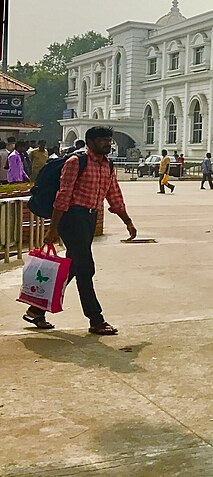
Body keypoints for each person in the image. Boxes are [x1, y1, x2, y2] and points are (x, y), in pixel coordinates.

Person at [22, 126, 137, 334]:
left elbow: (114, 195)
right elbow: (63, 196)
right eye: (103, 140)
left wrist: (127, 221)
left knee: (73, 267)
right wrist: (53, 228)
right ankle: (96, 319)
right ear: (90, 142)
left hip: (89, 218)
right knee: (86, 267)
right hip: (72, 218)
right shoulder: (76, 162)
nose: (107, 144)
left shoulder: (108, 165)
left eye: (109, 140)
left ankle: (36, 310)